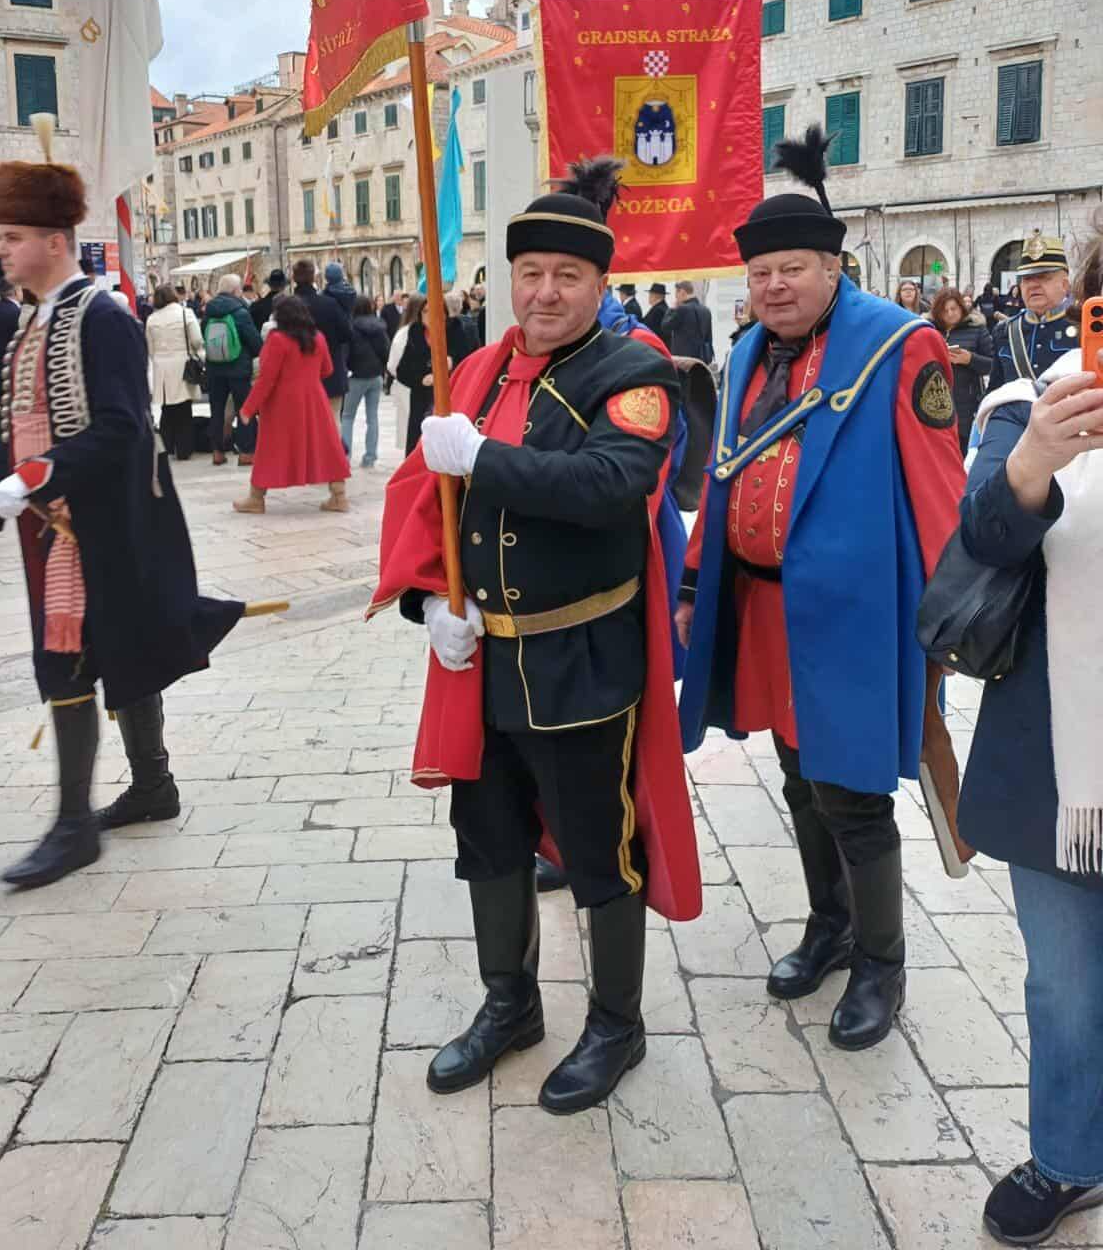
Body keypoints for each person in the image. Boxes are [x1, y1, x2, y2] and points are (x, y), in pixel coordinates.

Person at [370, 168, 701, 1114]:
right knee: (489, 839)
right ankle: (509, 1005)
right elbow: (427, 502)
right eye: (530, 273)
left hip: (581, 661)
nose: (545, 292)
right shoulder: (475, 369)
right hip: (483, 664)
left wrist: (485, 458)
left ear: (600, 284)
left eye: (567, 275)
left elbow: (611, 486)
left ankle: (616, 1024)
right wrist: (430, 604)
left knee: (600, 850)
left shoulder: (634, 374)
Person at [676, 125, 966, 1051]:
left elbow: (938, 488)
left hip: (854, 619)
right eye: (760, 274)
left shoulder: (900, 346)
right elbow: (723, 475)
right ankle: (829, 926)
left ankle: (882, 964)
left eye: (791, 269)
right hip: (763, 608)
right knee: (799, 777)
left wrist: (953, 612)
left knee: (852, 792)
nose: (774, 287)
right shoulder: (748, 353)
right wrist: (692, 577)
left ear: (833, 267)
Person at [0, 118, 243, 888]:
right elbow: (16, 431)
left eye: (11, 236)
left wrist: (35, 479)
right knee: (120, 652)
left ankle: (75, 826)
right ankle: (153, 786)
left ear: (53, 239)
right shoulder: (25, 326)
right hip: (52, 529)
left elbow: (119, 426)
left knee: (76, 658)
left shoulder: (103, 317)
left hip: (104, 524)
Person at [957, 228, 1103, 1247]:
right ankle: (1069, 1156)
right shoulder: (1028, 403)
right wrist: (1035, 464)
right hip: (1059, 758)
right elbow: (979, 542)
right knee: (1062, 979)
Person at [233, 294, 351, 514]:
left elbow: (266, 378)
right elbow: (327, 370)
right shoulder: (318, 337)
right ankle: (339, 495)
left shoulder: (276, 339)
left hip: (282, 403)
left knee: (270, 448)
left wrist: (248, 408)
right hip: (315, 399)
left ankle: (256, 498)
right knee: (326, 446)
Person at [988, 233, 1077, 391]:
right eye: (1027, 279)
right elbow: (995, 389)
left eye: (1043, 277)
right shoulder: (1005, 331)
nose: (1033, 285)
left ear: (1065, 285)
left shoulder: (1085, 325)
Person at [394, 297, 475, 453]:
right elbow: (402, 371)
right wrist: (421, 380)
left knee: (448, 448)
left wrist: (453, 362)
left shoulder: (456, 331)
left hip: (451, 396)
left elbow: (469, 363)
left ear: (444, 313)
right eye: (425, 311)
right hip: (422, 400)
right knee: (420, 447)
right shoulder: (415, 333)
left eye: (434, 310)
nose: (429, 315)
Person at [202, 273, 262, 466]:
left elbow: (204, 335)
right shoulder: (241, 312)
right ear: (236, 291)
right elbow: (255, 342)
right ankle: (246, 452)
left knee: (217, 410)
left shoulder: (208, 311)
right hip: (238, 368)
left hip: (214, 367)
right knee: (244, 409)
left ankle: (217, 452)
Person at [929, 287, 994, 455]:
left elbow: (993, 365)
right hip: (934, 403)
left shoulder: (977, 329)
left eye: (954, 309)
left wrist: (970, 359)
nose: (950, 314)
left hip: (966, 405)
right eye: (945, 310)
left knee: (963, 453)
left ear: (961, 308)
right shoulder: (929, 331)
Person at [146, 284, 205, 462]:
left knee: (166, 409)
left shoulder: (152, 319)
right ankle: (184, 449)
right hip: (182, 365)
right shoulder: (185, 313)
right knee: (184, 410)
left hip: (161, 367)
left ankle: (167, 447)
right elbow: (196, 340)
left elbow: (150, 347)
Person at [293, 258, 353, 420]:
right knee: (332, 419)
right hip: (331, 370)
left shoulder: (287, 306)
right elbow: (347, 333)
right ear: (313, 277)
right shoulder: (328, 304)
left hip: (298, 374)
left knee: (304, 422)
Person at [342, 294, 389, 469]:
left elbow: (345, 353)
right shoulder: (379, 326)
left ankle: (345, 457)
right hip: (375, 375)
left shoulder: (350, 327)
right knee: (372, 417)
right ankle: (370, 457)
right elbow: (386, 349)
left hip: (355, 376)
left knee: (347, 417)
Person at [388, 294, 423, 452]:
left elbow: (392, 365)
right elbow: (394, 365)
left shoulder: (404, 333)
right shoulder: (406, 334)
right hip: (409, 390)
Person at [663, 280, 713, 364]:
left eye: (676, 295)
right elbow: (709, 337)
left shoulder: (682, 309)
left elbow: (665, 326)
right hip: (702, 358)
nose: (676, 298)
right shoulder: (706, 310)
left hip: (684, 359)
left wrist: (671, 309)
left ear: (682, 292)